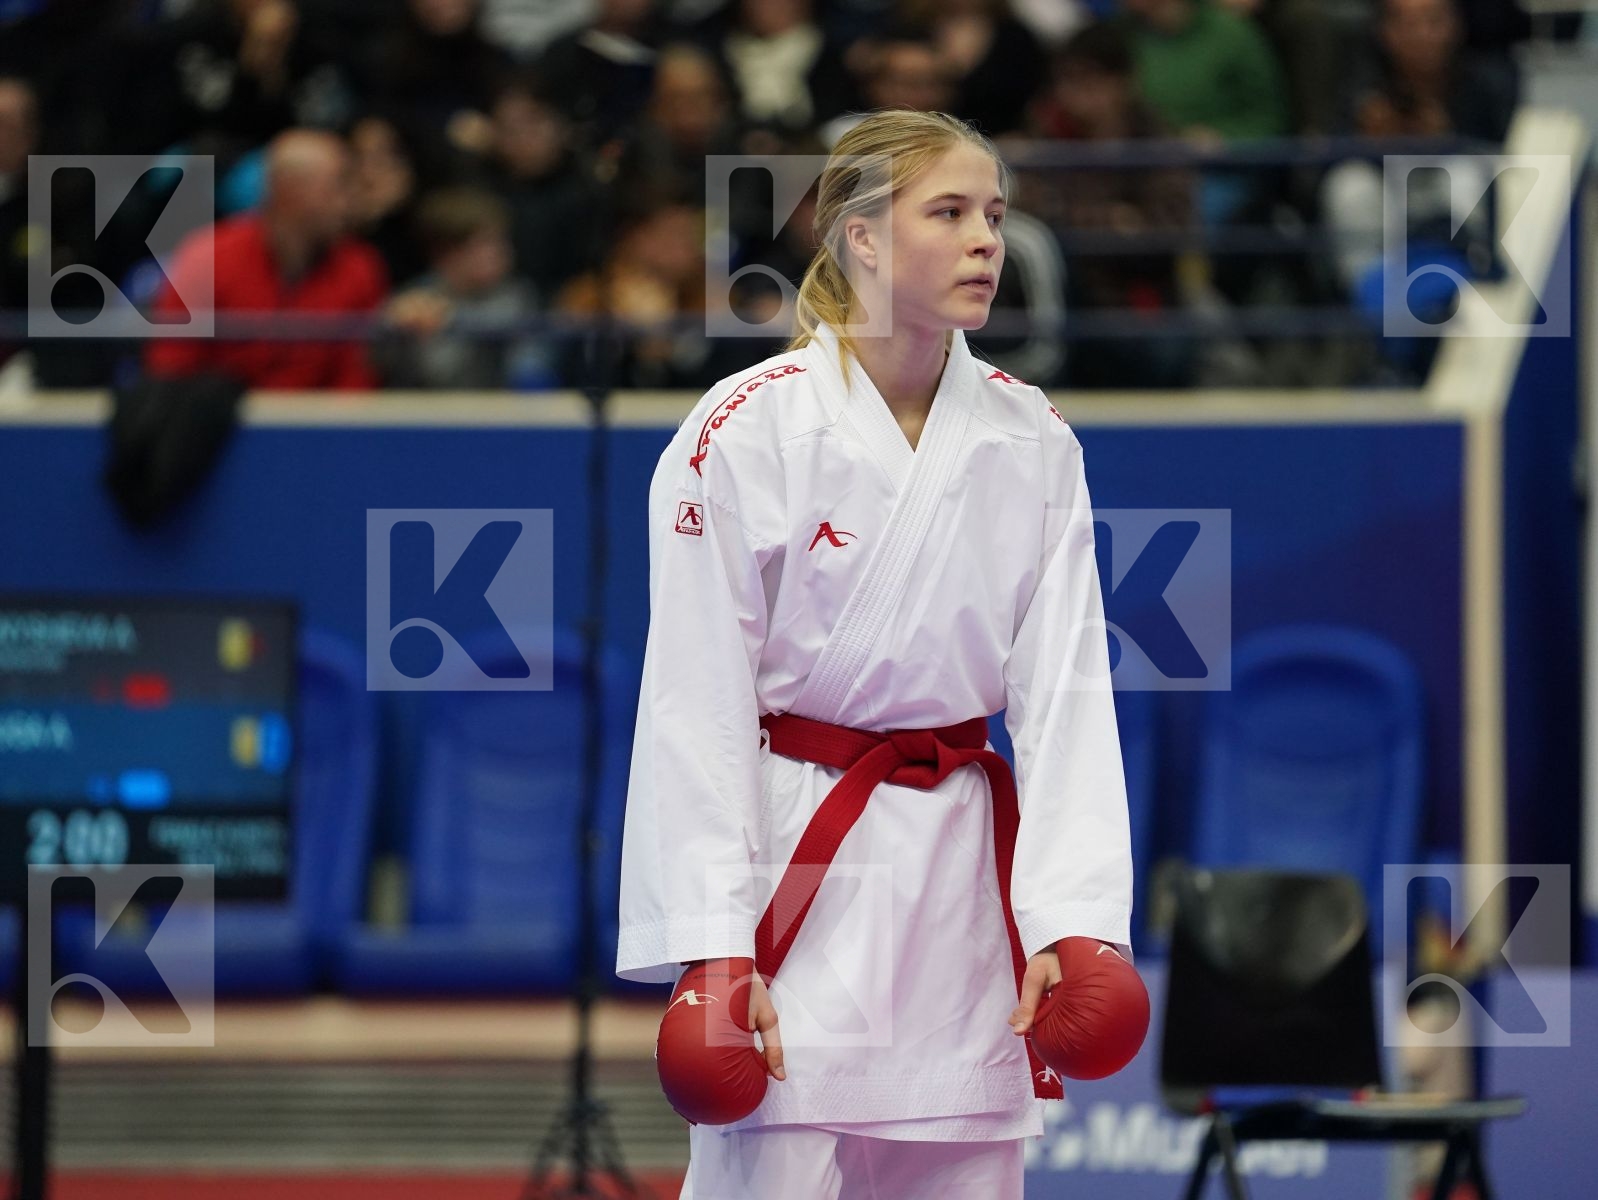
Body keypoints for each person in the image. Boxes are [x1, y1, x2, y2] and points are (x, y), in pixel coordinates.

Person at [615, 109, 1135, 1198]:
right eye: (946, 212)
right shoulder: (744, 429)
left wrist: (1076, 922)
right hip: (796, 865)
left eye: (992, 213)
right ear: (859, 238)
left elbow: (1068, 696)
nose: (985, 239)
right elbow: (692, 702)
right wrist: (714, 948)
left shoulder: (1030, 437)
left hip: (955, 888)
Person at [144, 128, 388, 391]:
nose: (348, 202)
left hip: (320, 426)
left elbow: (356, 384)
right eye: (338, 186)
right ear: (289, 190)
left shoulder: (360, 268)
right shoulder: (207, 259)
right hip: (218, 423)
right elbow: (171, 371)